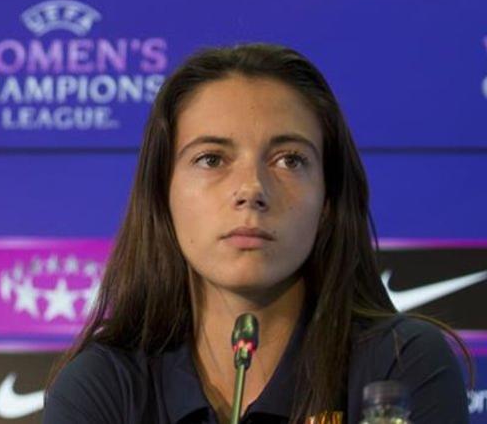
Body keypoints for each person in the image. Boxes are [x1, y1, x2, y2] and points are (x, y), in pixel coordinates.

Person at [44, 44, 469, 423]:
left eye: (289, 160)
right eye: (211, 159)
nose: (252, 190)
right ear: (163, 192)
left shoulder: (399, 365)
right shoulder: (101, 386)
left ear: (327, 199)